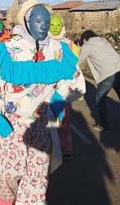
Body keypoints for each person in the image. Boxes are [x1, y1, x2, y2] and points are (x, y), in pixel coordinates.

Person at [0, 0, 85, 204]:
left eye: (47, 21)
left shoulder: (59, 50)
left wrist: (58, 99)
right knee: (4, 173)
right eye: (38, 21)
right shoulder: (8, 50)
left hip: (42, 124)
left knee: (37, 180)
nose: (43, 26)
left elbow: (74, 81)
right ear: (27, 22)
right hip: (12, 124)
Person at [78, 30, 120, 133]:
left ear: (85, 39)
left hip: (108, 74)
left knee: (99, 99)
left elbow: (78, 61)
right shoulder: (103, 41)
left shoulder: (87, 46)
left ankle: (104, 125)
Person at [49, 15, 80, 161]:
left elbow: (75, 66)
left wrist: (75, 85)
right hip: (45, 87)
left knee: (64, 119)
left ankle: (66, 148)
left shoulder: (69, 44)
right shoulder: (42, 42)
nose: (54, 28)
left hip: (62, 88)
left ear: (62, 26)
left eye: (57, 25)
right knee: (46, 118)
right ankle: (48, 146)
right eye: (52, 25)